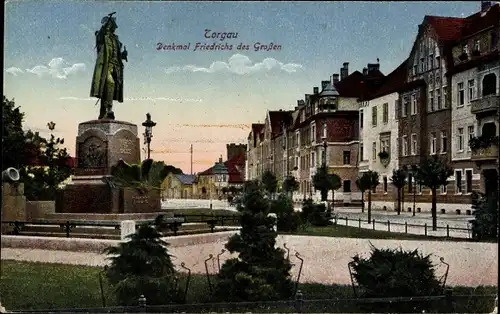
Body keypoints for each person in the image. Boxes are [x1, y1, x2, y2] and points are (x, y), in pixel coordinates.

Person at [90, 14, 128, 120]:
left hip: (116, 66)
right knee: (109, 83)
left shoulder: (116, 39)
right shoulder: (102, 36)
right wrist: (106, 24)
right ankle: (109, 109)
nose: (114, 27)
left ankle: (103, 113)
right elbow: (100, 35)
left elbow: (117, 53)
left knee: (107, 89)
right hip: (106, 66)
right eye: (112, 25)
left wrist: (123, 55)